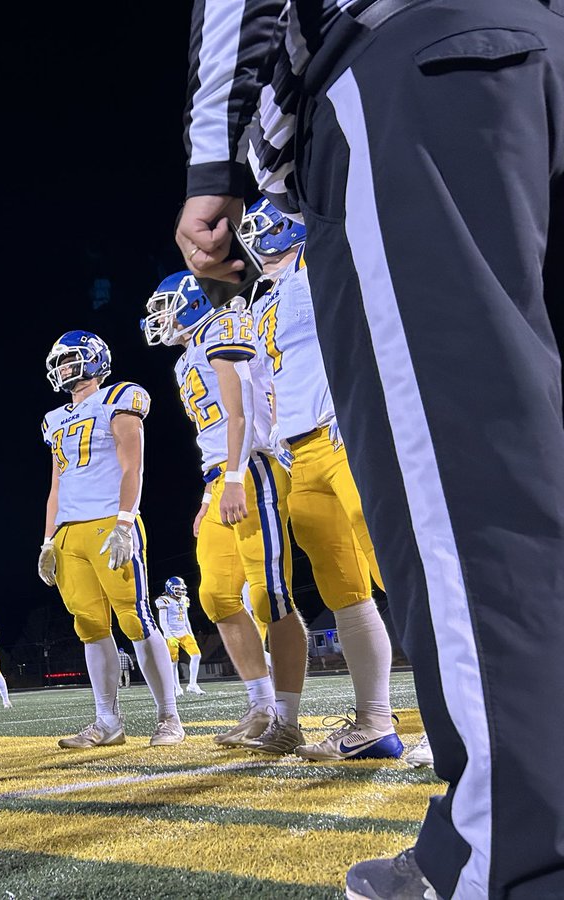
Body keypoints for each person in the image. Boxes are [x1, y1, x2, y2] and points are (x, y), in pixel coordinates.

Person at [178, 3, 564, 895]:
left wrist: (212, 162)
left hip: (414, 64)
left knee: (468, 478)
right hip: (533, 45)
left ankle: (511, 854)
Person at [242, 199, 402, 762]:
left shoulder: (330, 261)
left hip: (348, 434)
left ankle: (463, 714)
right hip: (302, 453)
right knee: (345, 591)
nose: (251, 242)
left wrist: (366, 410)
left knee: (400, 568)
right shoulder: (266, 300)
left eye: (259, 229)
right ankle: (374, 722)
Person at [142, 275, 308, 755]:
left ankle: (288, 719)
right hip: (221, 477)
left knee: (270, 595)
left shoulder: (223, 326)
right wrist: (210, 491)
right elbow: (215, 430)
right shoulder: (185, 358)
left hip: (252, 467)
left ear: (192, 301)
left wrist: (235, 477)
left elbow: (240, 413)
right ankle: (261, 705)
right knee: (216, 595)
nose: (158, 317)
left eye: (165, 306)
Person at [37, 330, 185, 750]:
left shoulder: (119, 396)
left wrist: (125, 521)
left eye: (69, 359)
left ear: (92, 359)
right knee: (88, 626)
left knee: (135, 618)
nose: (61, 367)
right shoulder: (53, 419)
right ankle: (107, 722)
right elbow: (56, 484)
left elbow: (131, 466)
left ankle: (169, 717)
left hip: (108, 523)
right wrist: (48, 539)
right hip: (70, 533)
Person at [155, 577, 204, 695]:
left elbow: (186, 618)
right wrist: (168, 635)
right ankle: (177, 688)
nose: (180, 591)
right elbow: (163, 620)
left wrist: (190, 633)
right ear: (170, 589)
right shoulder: (164, 600)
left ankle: (192, 685)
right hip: (171, 634)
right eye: (177, 589)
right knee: (173, 662)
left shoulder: (184, 600)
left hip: (184, 632)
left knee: (196, 655)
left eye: (181, 589)